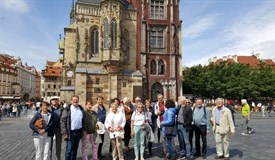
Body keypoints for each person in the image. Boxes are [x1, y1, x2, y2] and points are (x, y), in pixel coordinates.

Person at [61, 95, 84, 160]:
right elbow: (62, 121)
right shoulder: (67, 109)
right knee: (69, 150)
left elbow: (82, 120)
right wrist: (64, 133)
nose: (75, 101)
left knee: (75, 149)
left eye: (76, 100)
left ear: (78, 101)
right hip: (70, 132)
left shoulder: (81, 109)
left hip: (78, 131)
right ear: (71, 101)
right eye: (74, 100)